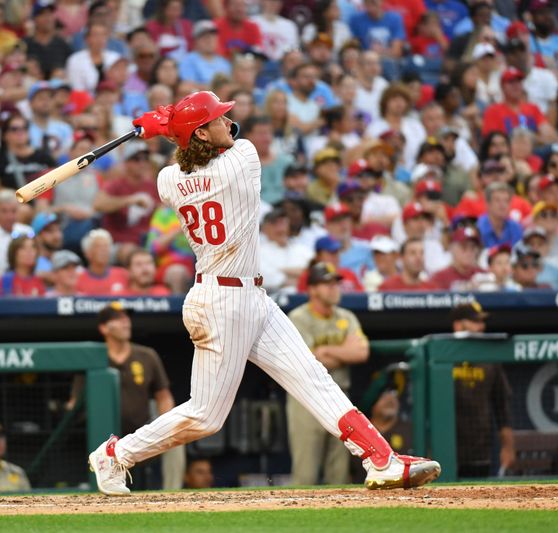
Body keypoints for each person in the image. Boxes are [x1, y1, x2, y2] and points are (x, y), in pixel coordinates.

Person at [88, 90, 441, 495]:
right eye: (217, 119)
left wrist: (173, 130)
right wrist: (168, 125)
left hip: (249, 297)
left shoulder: (167, 180)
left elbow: (189, 158)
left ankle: (381, 459)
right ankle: (116, 455)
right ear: (201, 135)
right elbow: (228, 141)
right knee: (206, 417)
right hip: (222, 304)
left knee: (314, 378)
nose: (227, 122)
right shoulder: (243, 161)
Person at [72, 303, 182, 490]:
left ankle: (172, 496)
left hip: (142, 433)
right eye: (118, 318)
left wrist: (167, 424)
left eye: (127, 318)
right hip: (104, 439)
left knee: (176, 440)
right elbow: (75, 402)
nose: (126, 322)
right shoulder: (93, 357)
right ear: (104, 328)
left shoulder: (147, 355)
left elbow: (163, 396)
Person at [287, 262, 370, 485]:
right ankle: (298, 519)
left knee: (339, 473)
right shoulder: (298, 318)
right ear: (312, 289)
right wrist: (343, 351)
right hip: (306, 399)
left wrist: (327, 350)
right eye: (327, 283)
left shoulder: (347, 316)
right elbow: (308, 361)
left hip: (339, 398)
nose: (334, 288)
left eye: (336, 283)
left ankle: (339, 518)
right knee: (305, 474)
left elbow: (361, 352)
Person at [450, 303, 515, 478]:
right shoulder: (440, 354)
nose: (481, 327)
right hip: (445, 450)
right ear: (458, 325)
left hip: (479, 450)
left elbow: (502, 407)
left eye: (482, 322)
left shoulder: (489, 358)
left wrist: (508, 447)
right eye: (474, 322)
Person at [75, 228, 129, 296]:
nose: (103, 250)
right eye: (98, 247)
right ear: (87, 253)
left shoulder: (123, 274)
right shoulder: (77, 278)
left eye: (106, 246)